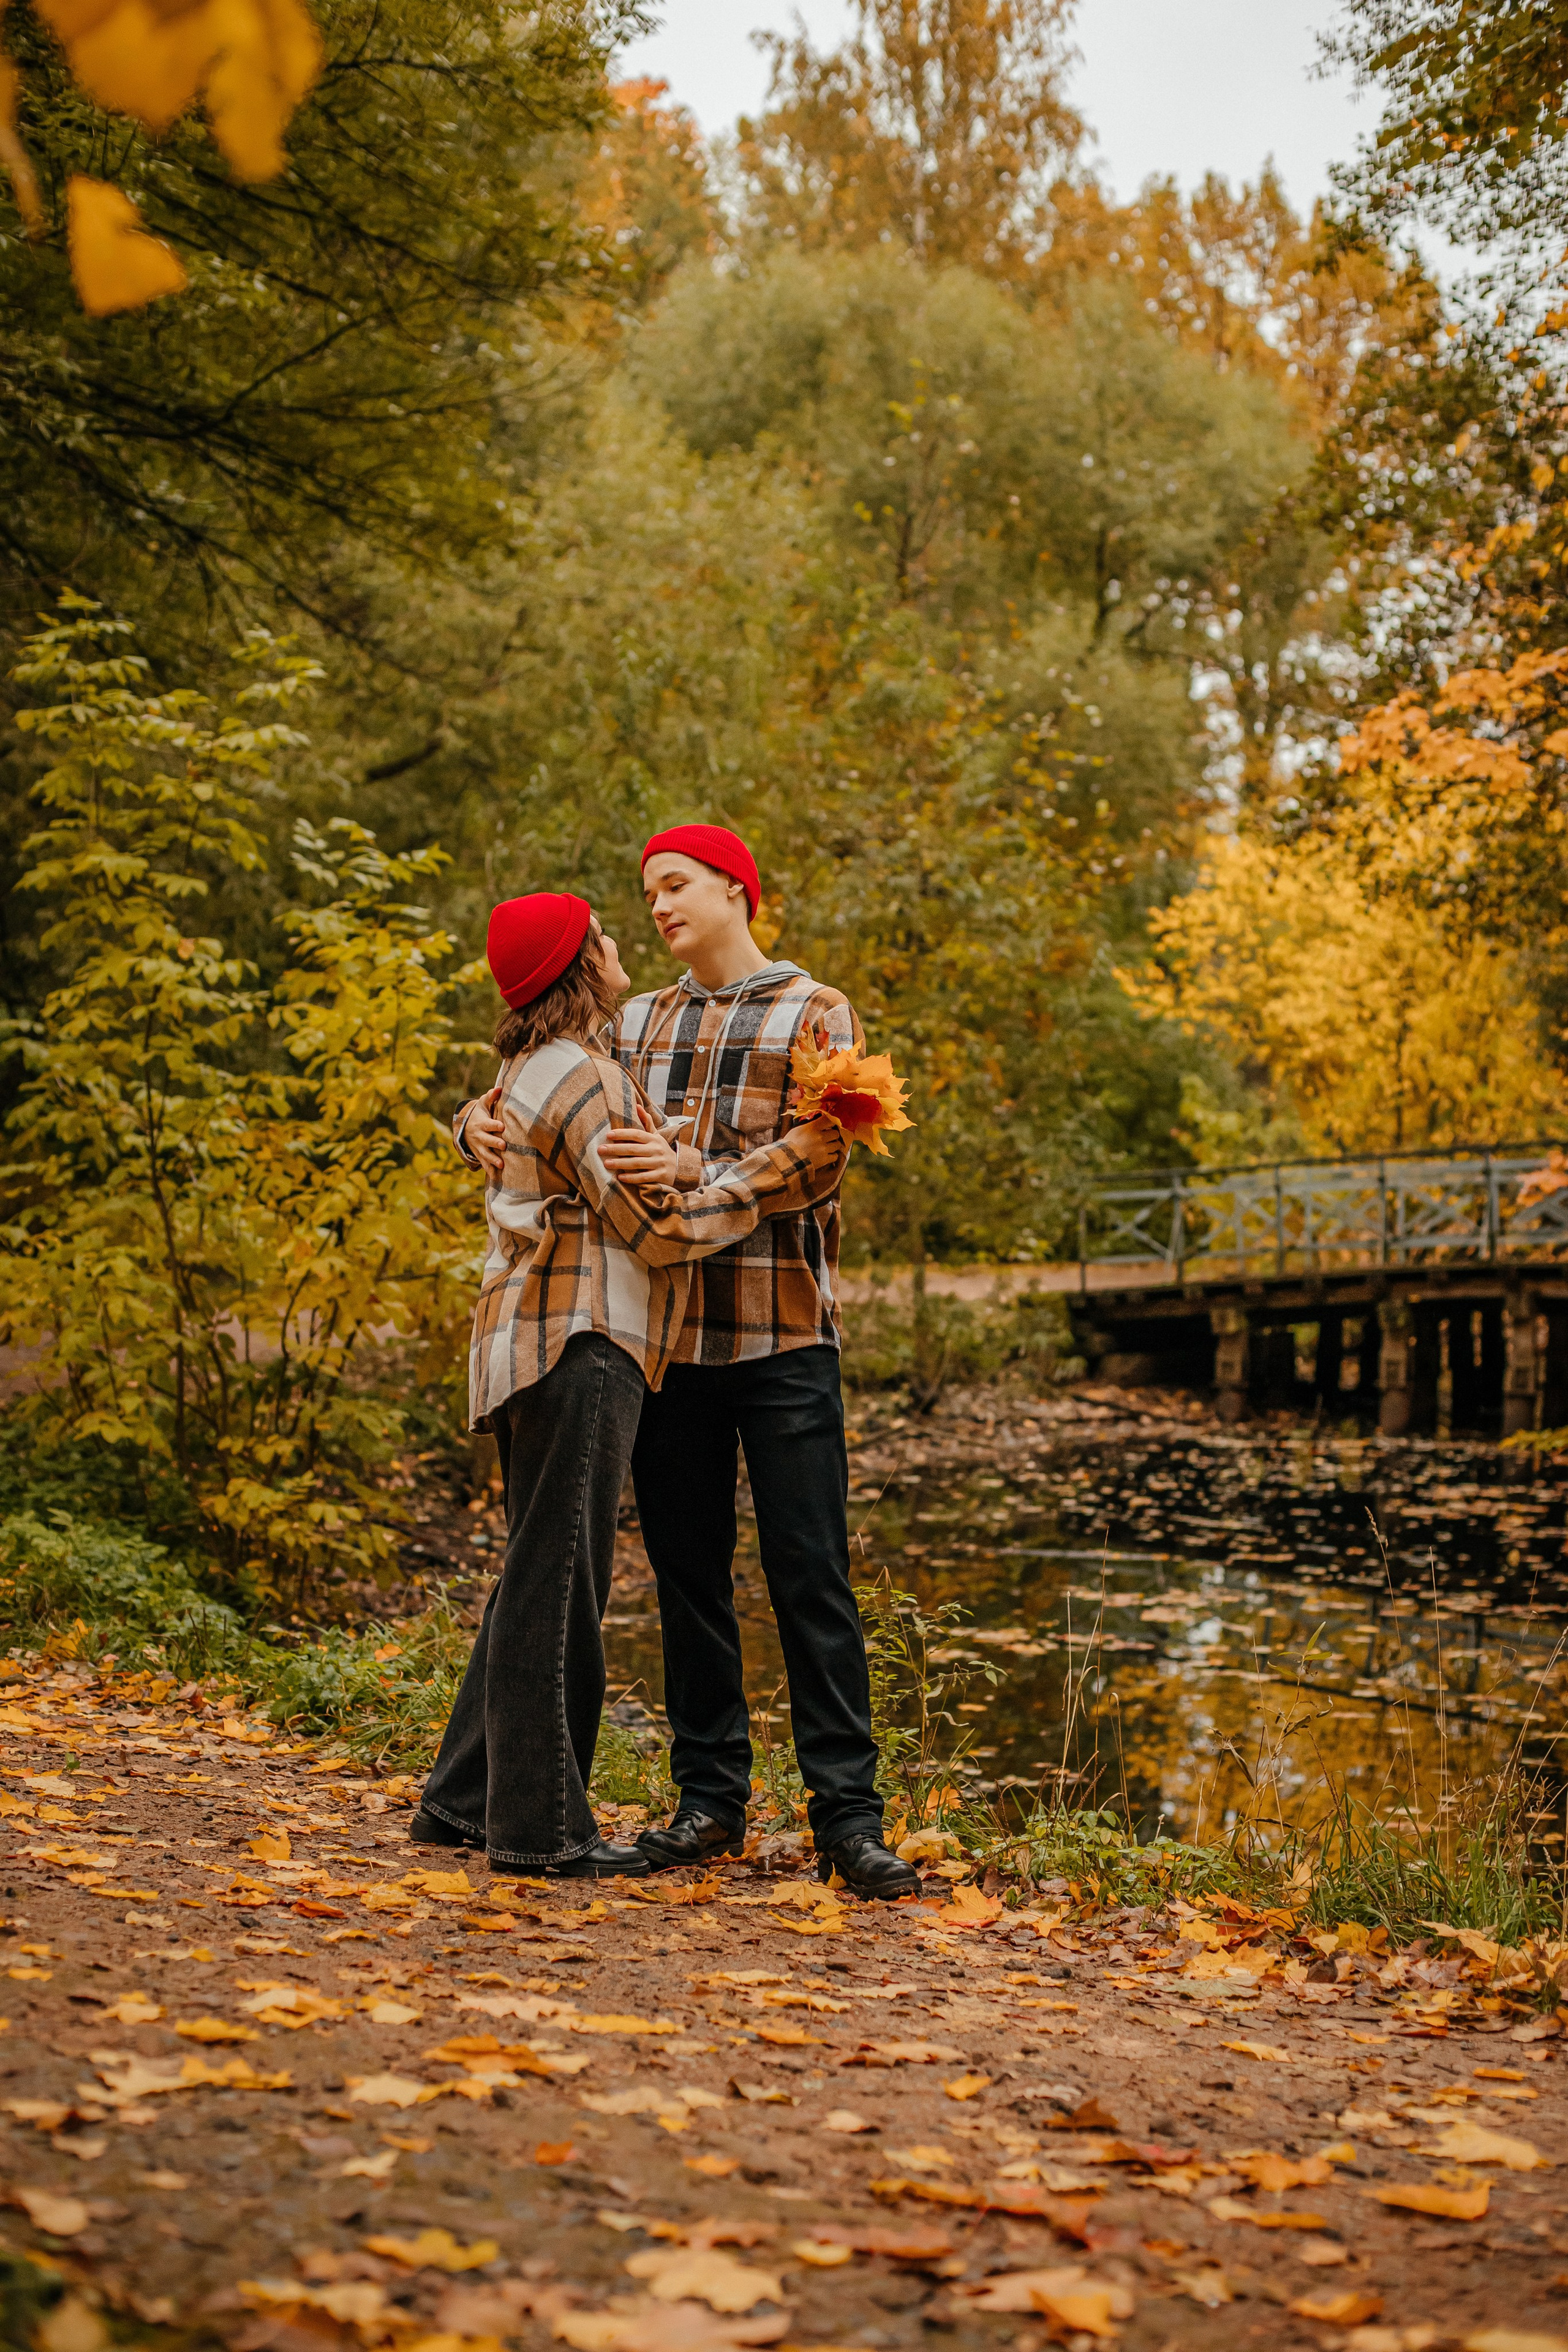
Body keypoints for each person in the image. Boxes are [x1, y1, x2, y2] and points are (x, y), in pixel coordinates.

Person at [454, 827, 919, 1901]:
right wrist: (468, 1128)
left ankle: (848, 1819)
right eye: (649, 891)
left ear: (736, 890)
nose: (659, 905)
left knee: (813, 1580)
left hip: (787, 1334)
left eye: (678, 885)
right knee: (688, 1583)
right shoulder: (632, 1021)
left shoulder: (817, 1012)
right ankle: (709, 1803)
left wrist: (694, 1177)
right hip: (668, 1348)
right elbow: (529, 1089)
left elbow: (821, 1150)